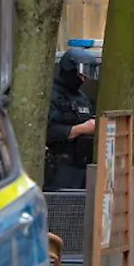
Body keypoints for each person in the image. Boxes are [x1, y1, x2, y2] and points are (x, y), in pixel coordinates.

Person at [44, 48, 99, 191]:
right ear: (70, 68)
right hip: (59, 169)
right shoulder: (50, 95)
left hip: (82, 167)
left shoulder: (81, 98)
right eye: (82, 72)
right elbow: (47, 132)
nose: (85, 78)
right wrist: (80, 129)